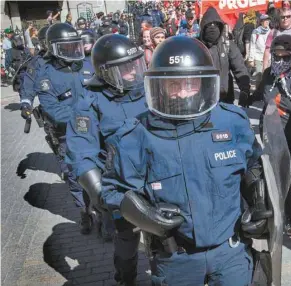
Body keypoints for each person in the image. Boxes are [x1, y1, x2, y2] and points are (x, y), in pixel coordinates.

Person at [101, 36, 269, 286]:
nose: (182, 92)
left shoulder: (232, 122)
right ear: (159, 87)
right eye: (174, 84)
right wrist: (145, 214)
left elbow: (254, 166)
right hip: (176, 258)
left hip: (230, 251)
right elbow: (112, 190)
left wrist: (258, 202)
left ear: (204, 84)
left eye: (190, 84)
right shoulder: (136, 134)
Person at [66, 34, 147, 242]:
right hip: (119, 184)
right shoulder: (90, 102)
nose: (132, 71)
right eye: (124, 67)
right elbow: (81, 152)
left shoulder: (150, 91)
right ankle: (125, 275)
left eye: (134, 64)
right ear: (106, 72)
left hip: (154, 176)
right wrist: (98, 191)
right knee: (125, 244)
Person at [33, 23, 95, 234]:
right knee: (75, 177)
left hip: (94, 134)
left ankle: (102, 214)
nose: (72, 51)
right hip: (67, 135)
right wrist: (84, 121)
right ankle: (84, 212)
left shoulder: (87, 65)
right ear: (54, 49)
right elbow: (54, 110)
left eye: (74, 46)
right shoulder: (46, 76)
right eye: (65, 47)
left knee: (100, 173)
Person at [254, 34, 291, 236]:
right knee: (271, 175)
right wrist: (245, 94)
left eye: (286, 57)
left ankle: (288, 219)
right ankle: (274, 215)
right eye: (277, 56)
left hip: (287, 136)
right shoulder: (268, 74)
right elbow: (260, 94)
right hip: (267, 132)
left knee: (281, 176)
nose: (280, 61)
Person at [199, 6, 250, 105]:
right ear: (203, 27)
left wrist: (245, 90)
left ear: (220, 26)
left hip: (225, 99)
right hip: (202, 100)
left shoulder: (227, 45)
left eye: (215, 25)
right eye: (209, 25)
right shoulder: (197, 46)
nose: (212, 28)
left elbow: (239, 68)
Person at [248, 14, 271, 88]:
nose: (267, 22)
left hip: (268, 58)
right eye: (265, 20)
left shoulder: (270, 32)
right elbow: (252, 45)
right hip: (258, 57)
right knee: (259, 76)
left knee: (267, 76)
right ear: (261, 22)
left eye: (268, 20)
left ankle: (265, 92)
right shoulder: (256, 32)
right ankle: (258, 93)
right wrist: (251, 59)